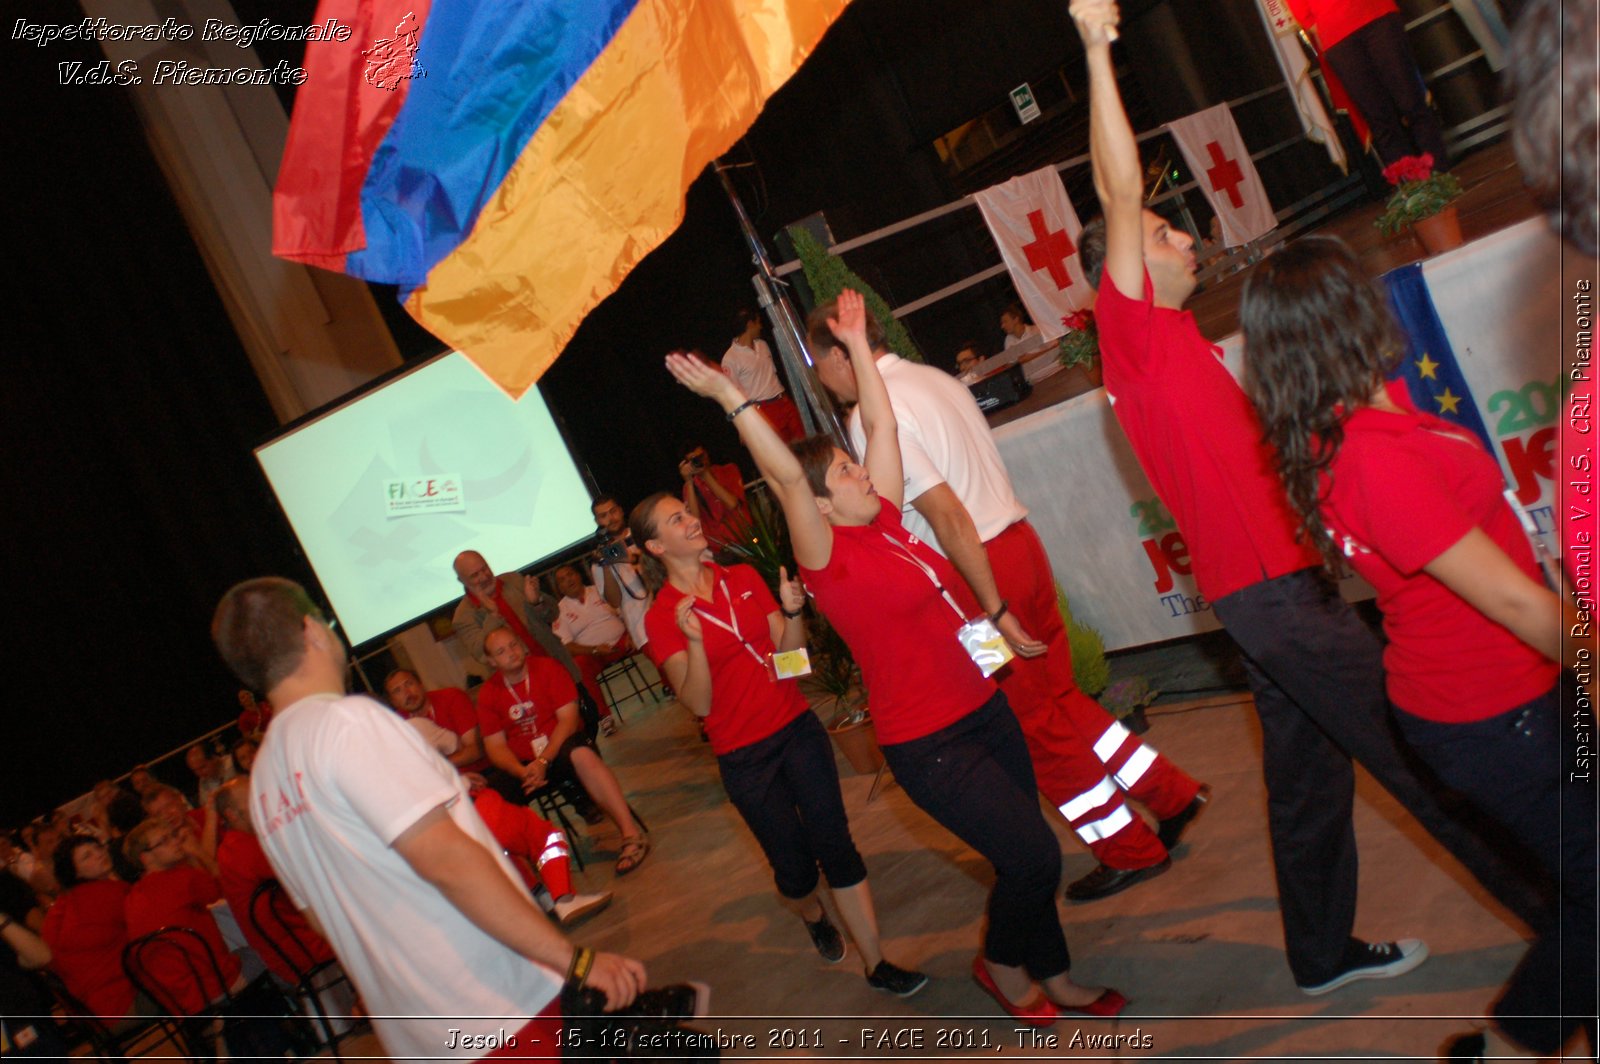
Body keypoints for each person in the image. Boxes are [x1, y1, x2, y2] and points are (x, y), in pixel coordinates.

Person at [1070, 0, 1548, 996]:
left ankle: (1319, 951)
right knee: (1423, 750)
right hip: (1276, 600)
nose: (1179, 237)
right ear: (1121, 266)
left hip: (1269, 599)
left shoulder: (1183, 347)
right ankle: (1570, 913)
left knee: (1306, 780)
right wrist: (1094, 49)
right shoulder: (1136, 334)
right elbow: (1115, 190)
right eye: (1160, 231)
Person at [664, 290, 1125, 1024]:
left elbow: (878, 421)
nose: (861, 472)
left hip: (985, 708)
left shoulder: (886, 521)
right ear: (818, 504)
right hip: (929, 741)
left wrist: (855, 340)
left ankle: (1056, 976)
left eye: (855, 464)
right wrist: (729, 396)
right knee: (1033, 858)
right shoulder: (827, 559)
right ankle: (1003, 965)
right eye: (844, 471)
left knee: (1031, 850)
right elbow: (787, 477)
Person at [1241, 236, 1596, 1062]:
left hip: (1513, 691)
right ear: (1345, 317)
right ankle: (1510, 1046)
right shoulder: (1368, 458)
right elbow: (1507, 598)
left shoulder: (1367, 415)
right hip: (1491, 712)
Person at [809, 296, 1210, 902]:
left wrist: (991, 607)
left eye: (819, 361)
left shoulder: (875, 414)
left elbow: (945, 514)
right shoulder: (935, 378)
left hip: (980, 572)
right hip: (1019, 544)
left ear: (842, 353)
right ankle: (1169, 792)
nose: (819, 375)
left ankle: (1128, 849)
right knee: (1060, 699)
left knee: (1031, 728)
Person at [211, 577, 674, 1060]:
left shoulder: (265, 780)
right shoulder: (348, 725)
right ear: (311, 630)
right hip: (493, 1004)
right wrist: (572, 962)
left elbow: (321, 917)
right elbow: (447, 859)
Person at [631, 491, 927, 996]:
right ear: (656, 547)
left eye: (688, 512)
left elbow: (792, 667)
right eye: (676, 519)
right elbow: (699, 705)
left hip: (796, 732)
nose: (691, 520)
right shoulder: (662, 617)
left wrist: (792, 615)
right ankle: (812, 914)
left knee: (836, 843)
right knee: (794, 873)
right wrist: (697, 643)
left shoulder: (742, 579)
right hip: (745, 758)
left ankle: (876, 962)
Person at [476, 627, 651, 876]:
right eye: (502, 651)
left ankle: (631, 835)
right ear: (492, 662)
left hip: (558, 747)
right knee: (488, 799)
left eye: (514, 644)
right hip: (524, 765)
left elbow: (568, 720)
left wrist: (543, 760)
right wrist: (522, 770)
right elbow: (495, 747)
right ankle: (526, 880)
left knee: (582, 754)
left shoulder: (548, 668)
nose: (512, 653)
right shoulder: (489, 693)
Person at [1286, 0, 1449, 169]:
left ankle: (1439, 171)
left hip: (1377, 15)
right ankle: (1412, 185)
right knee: (1378, 116)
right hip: (1337, 35)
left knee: (1411, 99)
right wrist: (1319, 24)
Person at [451, 550, 610, 716]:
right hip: (526, 687)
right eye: (475, 575)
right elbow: (481, 653)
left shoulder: (512, 580)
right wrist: (492, 616)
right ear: (461, 580)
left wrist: (537, 602)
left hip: (559, 667)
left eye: (485, 569)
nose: (484, 577)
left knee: (589, 717)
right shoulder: (463, 617)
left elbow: (553, 613)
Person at [121, 817, 242, 1014]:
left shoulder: (132, 896)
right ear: (146, 858)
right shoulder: (182, 879)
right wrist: (197, 852)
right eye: (164, 840)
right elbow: (226, 888)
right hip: (213, 985)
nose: (176, 842)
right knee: (266, 951)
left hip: (174, 1000)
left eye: (173, 836)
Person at [42, 836, 145, 1024]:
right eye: (87, 856)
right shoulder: (107, 894)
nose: (99, 854)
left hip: (90, 1014)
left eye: (98, 847)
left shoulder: (60, 907)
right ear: (75, 872)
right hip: (121, 1005)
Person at [550, 564, 631, 733]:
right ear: (559, 588)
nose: (568, 580)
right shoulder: (559, 611)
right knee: (578, 667)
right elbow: (566, 646)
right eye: (562, 580)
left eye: (570, 574)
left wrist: (632, 632)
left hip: (623, 641)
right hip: (593, 654)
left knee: (646, 637)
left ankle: (670, 686)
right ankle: (604, 717)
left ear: (578, 575)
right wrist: (594, 650)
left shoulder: (600, 590)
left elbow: (627, 611)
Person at [723, 308, 805, 442]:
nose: (760, 326)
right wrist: (742, 426)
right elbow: (733, 395)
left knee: (804, 446)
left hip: (783, 401)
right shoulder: (730, 358)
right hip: (764, 411)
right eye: (758, 322)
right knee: (783, 455)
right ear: (750, 324)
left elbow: (773, 375)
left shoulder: (762, 345)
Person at [589, 495, 654, 654]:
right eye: (603, 516)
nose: (611, 518)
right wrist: (605, 564)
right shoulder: (601, 557)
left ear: (621, 510)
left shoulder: (642, 533)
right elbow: (614, 601)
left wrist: (630, 558)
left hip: (672, 610)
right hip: (643, 629)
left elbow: (664, 566)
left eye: (613, 511)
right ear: (597, 522)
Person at [677, 439, 749, 551]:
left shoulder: (728, 470)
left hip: (745, 538)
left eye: (701, 456)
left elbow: (732, 504)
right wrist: (689, 482)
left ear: (707, 453)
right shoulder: (689, 488)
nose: (700, 461)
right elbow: (694, 518)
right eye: (694, 460)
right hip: (719, 548)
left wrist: (706, 475)